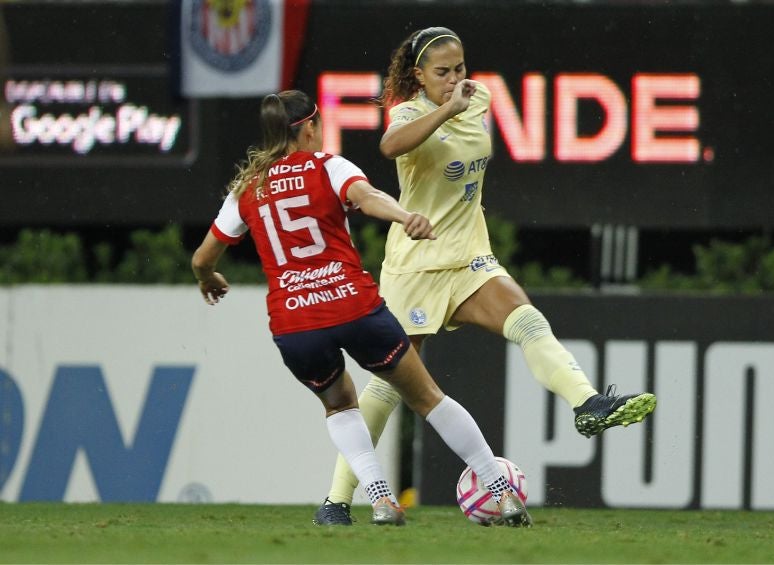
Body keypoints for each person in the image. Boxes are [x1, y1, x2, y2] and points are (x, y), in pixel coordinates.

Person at [314, 26, 657, 525]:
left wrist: (458, 105)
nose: (455, 79)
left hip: (470, 256)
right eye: (442, 72)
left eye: (460, 69)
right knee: (389, 385)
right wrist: (445, 112)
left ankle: (587, 404)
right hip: (416, 265)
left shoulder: (480, 99)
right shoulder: (410, 114)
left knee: (528, 321)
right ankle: (337, 500)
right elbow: (390, 147)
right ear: (419, 76)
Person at [192, 89, 532, 527]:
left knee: (339, 406)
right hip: (353, 306)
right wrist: (403, 215)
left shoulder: (247, 188)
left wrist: (208, 279)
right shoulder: (328, 166)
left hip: (295, 322)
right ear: (309, 126)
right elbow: (368, 197)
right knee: (427, 397)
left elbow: (203, 257)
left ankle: (381, 501)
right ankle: (502, 493)